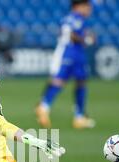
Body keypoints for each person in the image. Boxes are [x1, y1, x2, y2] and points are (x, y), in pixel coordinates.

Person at [35, 0, 96, 129]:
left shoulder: (68, 18)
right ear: (78, 6)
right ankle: (75, 116)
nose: (89, 9)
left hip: (70, 51)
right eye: (87, 6)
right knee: (66, 81)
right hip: (71, 52)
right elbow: (73, 35)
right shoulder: (77, 18)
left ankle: (47, 107)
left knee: (76, 81)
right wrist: (87, 39)